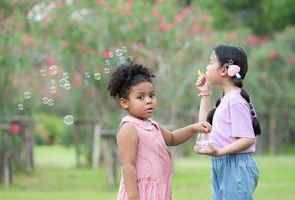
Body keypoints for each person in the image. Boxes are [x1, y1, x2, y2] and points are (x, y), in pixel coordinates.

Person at [107, 62, 211, 200]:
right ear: (125, 102)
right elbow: (128, 166)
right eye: (140, 97)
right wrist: (133, 197)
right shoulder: (129, 128)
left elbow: (172, 138)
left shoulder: (152, 124)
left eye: (152, 95)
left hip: (158, 191)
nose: (149, 101)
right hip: (141, 194)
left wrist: (193, 128)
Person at [195, 44, 261, 200]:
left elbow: (247, 139)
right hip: (222, 163)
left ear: (224, 70)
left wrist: (218, 152)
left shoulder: (236, 101)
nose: (207, 66)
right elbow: (204, 125)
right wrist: (205, 92)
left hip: (235, 165)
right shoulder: (226, 99)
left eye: (211, 62)